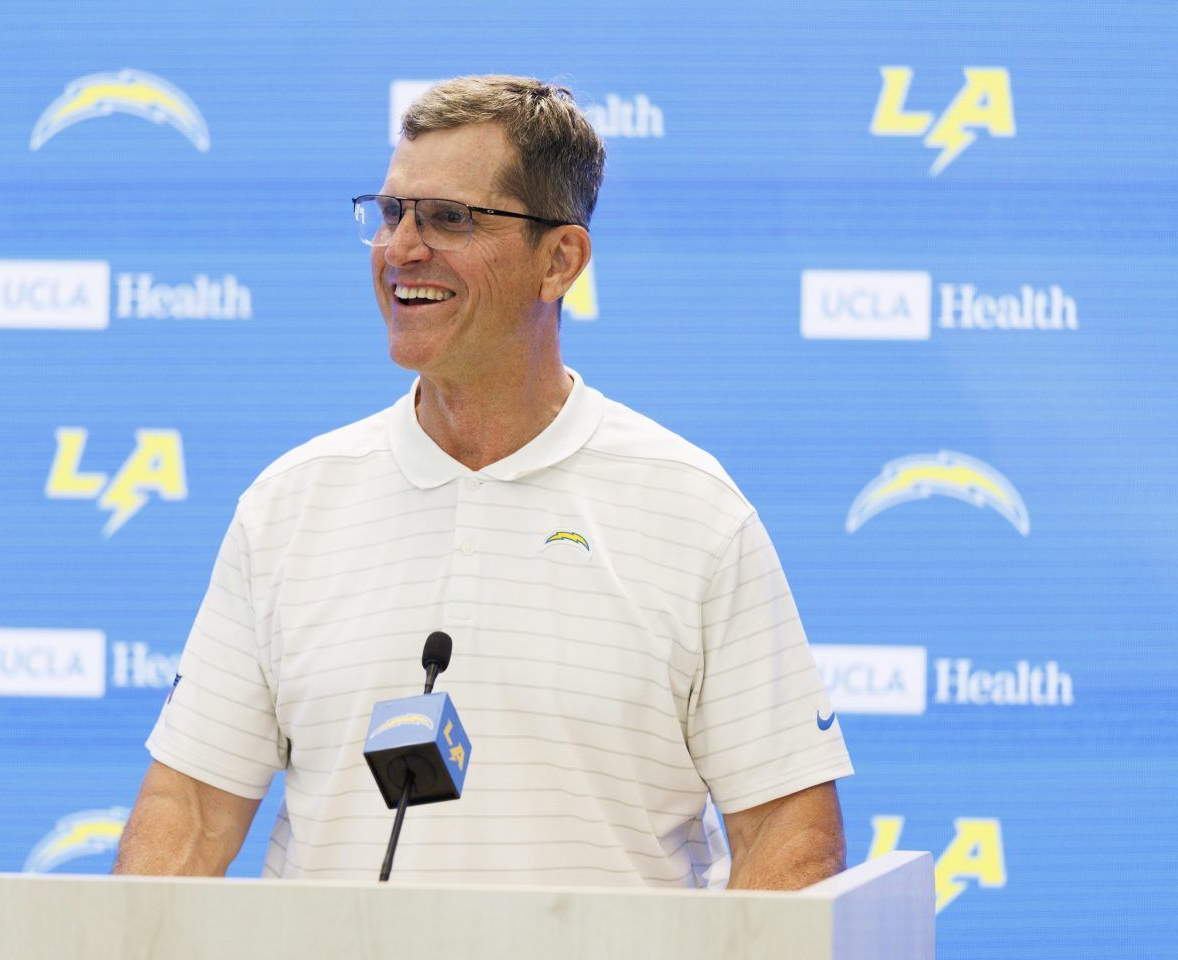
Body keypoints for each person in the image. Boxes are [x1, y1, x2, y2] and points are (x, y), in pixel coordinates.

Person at [114, 75, 852, 889]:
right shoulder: (291, 504)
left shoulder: (692, 509)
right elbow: (188, 814)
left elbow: (789, 834)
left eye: (449, 218)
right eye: (391, 213)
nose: (401, 249)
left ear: (559, 260)